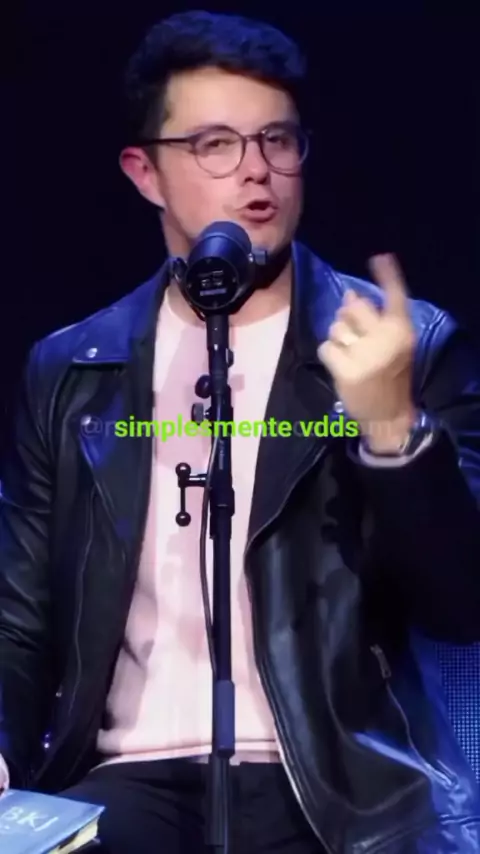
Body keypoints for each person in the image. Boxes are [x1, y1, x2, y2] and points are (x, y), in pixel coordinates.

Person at [1, 10, 480, 854]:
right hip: (126, 782)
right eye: (215, 145)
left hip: (342, 788)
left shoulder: (401, 344)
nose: (256, 171)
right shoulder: (72, 369)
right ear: (146, 172)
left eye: (277, 141)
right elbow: (20, 616)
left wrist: (393, 430)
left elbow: (461, 604)